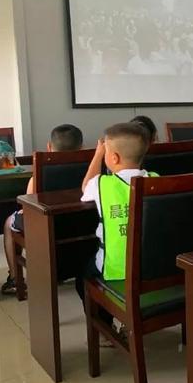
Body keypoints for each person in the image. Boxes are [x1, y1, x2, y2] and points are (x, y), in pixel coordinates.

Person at [75, 123, 157, 331]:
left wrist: (97, 155)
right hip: (152, 268)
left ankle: (104, 328)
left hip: (115, 269)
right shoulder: (156, 180)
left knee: (82, 277)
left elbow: (85, 187)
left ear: (113, 158)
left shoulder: (101, 184)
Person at [1, 124, 83, 295]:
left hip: (48, 229)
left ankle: (15, 279)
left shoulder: (42, 173)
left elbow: (28, 208)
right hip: (81, 227)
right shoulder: (90, 168)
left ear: (49, 147)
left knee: (9, 222)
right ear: (81, 147)